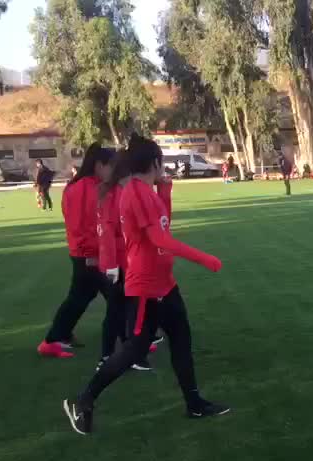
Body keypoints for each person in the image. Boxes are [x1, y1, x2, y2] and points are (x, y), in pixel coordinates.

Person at [63, 133, 228, 435]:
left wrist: (165, 191)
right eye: (161, 164)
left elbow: (163, 224)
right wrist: (205, 259)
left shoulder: (146, 191)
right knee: (134, 350)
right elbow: (159, 239)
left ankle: (194, 404)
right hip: (146, 288)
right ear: (155, 162)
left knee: (181, 340)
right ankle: (84, 399)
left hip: (165, 283)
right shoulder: (136, 193)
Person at [37, 145, 115, 358]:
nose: (114, 172)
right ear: (99, 165)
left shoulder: (79, 186)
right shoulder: (87, 188)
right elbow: (87, 225)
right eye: (112, 166)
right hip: (90, 254)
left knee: (80, 296)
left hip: (83, 252)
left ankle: (56, 337)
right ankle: (136, 339)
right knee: (118, 295)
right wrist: (94, 255)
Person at [97, 151, 154, 371]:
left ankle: (124, 353)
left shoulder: (115, 192)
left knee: (123, 309)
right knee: (122, 310)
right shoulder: (116, 194)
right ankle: (115, 355)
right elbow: (108, 232)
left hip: (124, 260)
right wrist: (111, 264)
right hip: (121, 262)